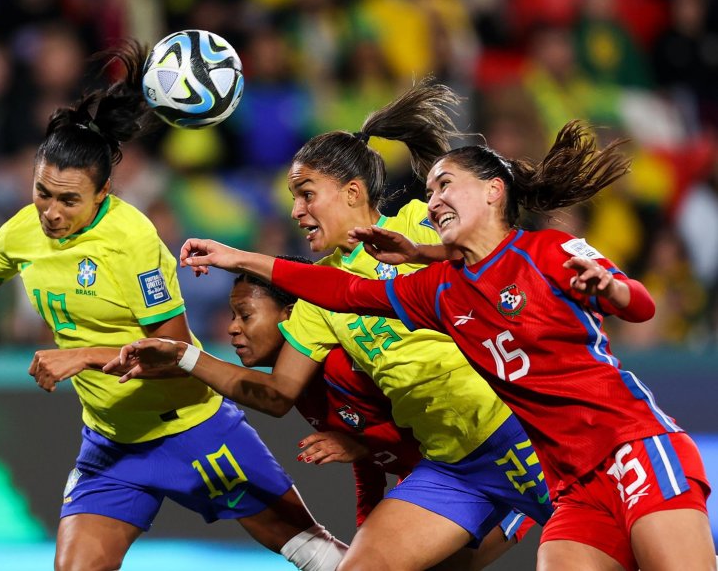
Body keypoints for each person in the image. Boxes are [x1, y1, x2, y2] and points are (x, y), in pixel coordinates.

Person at [0, 42, 347, 571]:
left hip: (191, 430)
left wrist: (82, 357)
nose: (51, 212)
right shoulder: (24, 230)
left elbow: (174, 349)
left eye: (68, 200)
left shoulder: (132, 238)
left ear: (103, 193)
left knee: (316, 555)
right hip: (110, 444)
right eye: (42, 192)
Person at [170, 114, 716, 571]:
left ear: (492, 190)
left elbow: (637, 305)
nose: (431, 200)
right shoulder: (434, 289)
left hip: (608, 445)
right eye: (429, 191)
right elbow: (346, 291)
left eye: (444, 185)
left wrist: (614, 289)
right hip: (520, 474)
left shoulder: (542, 250)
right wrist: (238, 260)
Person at [108, 82, 553, 571]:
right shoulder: (318, 298)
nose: (297, 211)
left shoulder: (418, 226)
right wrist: (185, 355)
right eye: (293, 198)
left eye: (306, 194)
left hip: (522, 435)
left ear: (353, 192)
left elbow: (496, 243)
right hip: (452, 464)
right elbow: (277, 395)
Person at [229, 257, 534, 564]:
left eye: (244, 315)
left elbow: (432, 418)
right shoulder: (303, 389)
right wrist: (367, 528)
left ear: (291, 315)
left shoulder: (344, 363)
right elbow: (368, 460)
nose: (232, 328)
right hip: (438, 479)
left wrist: (363, 444)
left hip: (487, 466)